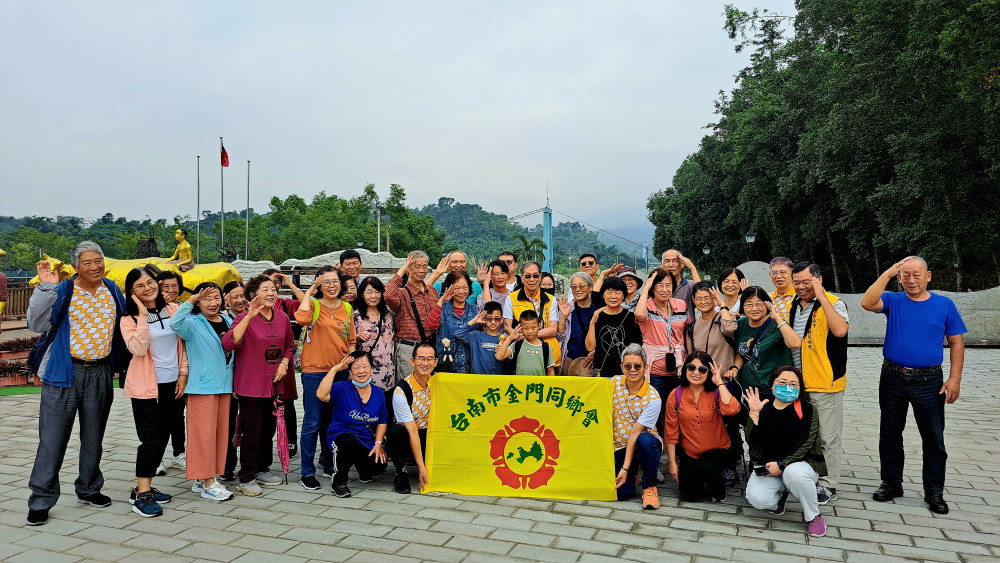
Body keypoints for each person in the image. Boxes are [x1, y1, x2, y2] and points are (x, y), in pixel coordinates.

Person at [26, 242, 127, 526]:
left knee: (94, 437)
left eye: (99, 260)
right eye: (88, 262)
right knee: (52, 440)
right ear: (75, 266)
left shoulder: (112, 290)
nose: (95, 266)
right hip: (64, 371)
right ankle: (41, 500)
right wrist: (46, 287)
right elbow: (36, 323)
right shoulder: (63, 290)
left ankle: (89, 488)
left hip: (101, 371)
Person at [861, 256, 966, 515]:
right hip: (893, 376)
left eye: (916, 274)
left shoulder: (945, 305)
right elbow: (867, 302)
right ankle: (891, 483)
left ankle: (934, 490)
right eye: (905, 275)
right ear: (899, 278)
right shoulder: (894, 301)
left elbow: (956, 343)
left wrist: (955, 379)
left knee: (933, 436)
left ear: (928, 276)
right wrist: (887, 272)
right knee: (890, 432)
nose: (911, 280)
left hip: (929, 381)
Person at [119, 268, 187, 517]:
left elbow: (184, 344)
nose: (148, 288)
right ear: (132, 292)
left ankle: (142, 487)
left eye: (150, 282)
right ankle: (142, 493)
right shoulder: (128, 318)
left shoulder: (172, 310)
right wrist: (142, 316)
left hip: (173, 383)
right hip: (146, 387)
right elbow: (138, 349)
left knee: (166, 432)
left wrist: (183, 374)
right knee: (152, 437)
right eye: (140, 286)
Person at [222, 274, 295, 496]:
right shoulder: (244, 317)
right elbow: (229, 342)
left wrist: (284, 362)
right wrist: (248, 316)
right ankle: (246, 476)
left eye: (273, 289)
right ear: (252, 295)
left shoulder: (282, 317)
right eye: (265, 290)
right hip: (250, 384)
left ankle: (262, 469)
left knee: (268, 429)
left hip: (274, 382)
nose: (271, 293)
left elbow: (290, 345)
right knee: (252, 431)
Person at [789, 262, 849, 505]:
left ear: (818, 279)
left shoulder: (834, 303)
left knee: (828, 436)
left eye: (806, 282)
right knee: (806, 434)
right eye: (798, 282)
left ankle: (829, 483)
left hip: (825, 382)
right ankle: (810, 475)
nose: (801, 287)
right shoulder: (795, 304)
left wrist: (822, 297)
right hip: (799, 382)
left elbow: (840, 331)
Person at [170, 282, 236, 502]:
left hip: (224, 386)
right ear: (198, 300)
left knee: (219, 435)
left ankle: (204, 477)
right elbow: (175, 323)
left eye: (216, 297)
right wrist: (190, 300)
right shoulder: (192, 322)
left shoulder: (227, 320)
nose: (213, 302)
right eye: (207, 298)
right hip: (202, 387)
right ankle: (209, 482)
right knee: (203, 436)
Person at [744, 366, 828, 538]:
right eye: (782, 382)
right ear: (773, 386)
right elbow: (752, 441)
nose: (787, 387)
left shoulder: (808, 410)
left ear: (800, 389)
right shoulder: (764, 406)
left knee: (794, 473)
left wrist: (782, 465)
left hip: (801, 466)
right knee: (757, 499)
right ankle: (780, 498)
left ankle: (814, 516)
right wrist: (754, 415)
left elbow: (807, 442)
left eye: (793, 384)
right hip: (770, 466)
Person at [294, 266, 357, 491]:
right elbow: (301, 319)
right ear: (320, 284)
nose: (332, 286)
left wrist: (349, 361)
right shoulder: (313, 304)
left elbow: (351, 339)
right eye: (326, 282)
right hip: (315, 371)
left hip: (340, 371)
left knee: (333, 421)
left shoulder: (347, 307)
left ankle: (330, 464)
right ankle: (306, 472)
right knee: (312, 422)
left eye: (335, 281)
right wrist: (310, 291)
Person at [664, 351, 740, 502]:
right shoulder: (676, 394)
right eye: (691, 368)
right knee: (689, 495)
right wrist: (672, 462)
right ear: (685, 368)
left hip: (717, 450)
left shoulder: (716, 392)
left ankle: (718, 488)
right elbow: (670, 431)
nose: (696, 372)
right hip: (690, 452)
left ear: (708, 372)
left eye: (702, 369)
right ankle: (702, 481)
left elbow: (732, 409)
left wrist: (719, 382)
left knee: (706, 470)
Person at [685, 281, 740, 486]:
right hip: (702, 384)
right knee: (709, 425)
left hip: (725, 382)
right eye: (698, 298)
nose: (702, 302)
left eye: (707, 297)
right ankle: (709, 460)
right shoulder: (693, 325)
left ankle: (730, 466)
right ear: (693, 300)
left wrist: (722, 305)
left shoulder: (723, 319)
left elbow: (731, 329)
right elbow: (692, 357)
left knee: (729, 425)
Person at [317, 351, 388, 498]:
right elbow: (321, 395)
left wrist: (379, 443)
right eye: (356, 368)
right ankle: (339, 482)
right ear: (350, 371)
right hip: (342, 436)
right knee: (349, 444)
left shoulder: (378, 392)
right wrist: (334, 370)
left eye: (365, 367)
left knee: (379, 466)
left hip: (366, 439)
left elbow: (382, 420)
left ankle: (361, 466)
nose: (361, 371)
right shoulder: (341, 388)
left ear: (371, 369)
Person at [634, 269, 689, 433]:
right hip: (655, 370)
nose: (665, 289)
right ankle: (659, 443)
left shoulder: (680, 305)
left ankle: (676, 444)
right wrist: (646, 288)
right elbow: (639, 315)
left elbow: (685, 331)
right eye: (660, 285)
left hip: (679, 368)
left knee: (678, 407)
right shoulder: (646, 305)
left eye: (668, 285)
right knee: (656, 407)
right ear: (653, 287)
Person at [723, 287, 801, 399]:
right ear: (743, 307)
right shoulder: (741, 324)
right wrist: (735, 368)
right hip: (749, 388)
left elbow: (796, 344)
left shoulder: (776, 324)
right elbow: (741, 352)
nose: (754, 309)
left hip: (776, 388)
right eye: (749, 305)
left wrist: (777, 318)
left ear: (767, 305)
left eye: (759, 304)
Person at [611, 344, 662, 509]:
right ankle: (632, 474)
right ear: (621, 367)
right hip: (619, 447)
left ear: (646, 367)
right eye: (628, 366)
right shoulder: (614, 382)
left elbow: (635, 433)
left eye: (638, 366)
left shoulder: (653, 398)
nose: (633, 370)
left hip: (642, 443)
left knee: (645, 440)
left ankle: (649, 487)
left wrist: (624, 469)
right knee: (622, 493)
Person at [262, 269, 304, 457]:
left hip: (283, 362)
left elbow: (307, 304)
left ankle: (291, 440)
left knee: (286, 403)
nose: (273, 288)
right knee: (265, 406)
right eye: (268, 284)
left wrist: (290, 283)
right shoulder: (253, 306)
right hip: (262, 364)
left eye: (277, 283)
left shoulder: (286, 304)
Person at [387, 341, 437, 494]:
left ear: (435, 362)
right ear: (412, 361)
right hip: (410, 436)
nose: (425, 363)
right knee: (395, 432)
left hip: (431, 435)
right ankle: (401, 472)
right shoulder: (402, 391)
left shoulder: (439, 382)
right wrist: (421, 468)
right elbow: (413, 431)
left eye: (429, 359)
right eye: (421, 358)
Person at [152, 269, 187, 474]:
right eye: (166, 287)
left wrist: (184, 372)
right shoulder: (147, 310)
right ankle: (155, 456)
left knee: (176, 414)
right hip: (153, 373)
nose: (171, 290)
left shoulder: (181, 308)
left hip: (177, 371)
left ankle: (178, 453)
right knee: (156, 418)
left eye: (175, 286)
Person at [385, 251, 439, 379]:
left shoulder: (432, 291)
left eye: (424, 266)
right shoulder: (401, 293)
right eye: (417, 266)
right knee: (407, 388)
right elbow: (387, 294)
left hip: (428, 347)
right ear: (409, 269)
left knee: (426, 387)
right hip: (408, 348)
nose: (421, 270)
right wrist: (403, 268)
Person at [586, 276, 643, 377]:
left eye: (617, 292)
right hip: (601, 372)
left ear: (623, 295)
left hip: (624, 374)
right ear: (603, 295)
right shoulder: (596, 315)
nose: (613, 296)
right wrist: (592, 323)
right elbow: (590, 347)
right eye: (609, 292)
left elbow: (636, 347)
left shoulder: (630, 318)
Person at [509, 261, 562, 367]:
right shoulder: (511, 298)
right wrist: (529, 336)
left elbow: (553, 330)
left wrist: (527, 335)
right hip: (523, 356)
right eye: (528, 276)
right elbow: (507, 326)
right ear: (522, 277)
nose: (532, 280)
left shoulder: (551, 299)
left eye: (535, 276)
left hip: (549, 356)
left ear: (540, 277)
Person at [427, 270, 478, 373]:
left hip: (470, 366)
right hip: (446, 367)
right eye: (457, 288)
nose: (461, 292)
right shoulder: (441, 308)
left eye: (465, 287)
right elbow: (431, 326)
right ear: (449, 288)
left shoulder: (476, 310)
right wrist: (441, 301)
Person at [220, 280, 246, 481]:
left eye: (242, 295)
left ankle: (249, 465)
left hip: (248, 380)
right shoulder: (221, 319)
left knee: (246, 423)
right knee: (228, 423)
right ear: (225, 299)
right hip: (227, 380)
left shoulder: (255, 316)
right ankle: (227, 465)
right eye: (234, 296)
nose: (240, 300)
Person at [353, 276, 395, 391]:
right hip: (366, 372)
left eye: (377, 292)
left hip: (388, 373)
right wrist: (357, 338)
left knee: (385, 405)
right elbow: (348, 343)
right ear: (362, 294)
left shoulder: (387, 314)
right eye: (369, 292)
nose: (373, 296)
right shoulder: (355, 316)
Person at [555, 272, 596, 373]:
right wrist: (563, 317)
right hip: (570, 360)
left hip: (592, 361)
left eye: (581, 286)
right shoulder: (568, 308)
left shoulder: (597, 310)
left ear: (590, 287)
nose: (577, 290)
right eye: (574, 287)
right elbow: (560, 336)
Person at [496, 310, 556, 375]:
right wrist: (510, 338)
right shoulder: (517, 345)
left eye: (533, 328)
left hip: (539, 384)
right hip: (520, 384)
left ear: (539, 326)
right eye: (526, 328)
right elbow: (499, 357)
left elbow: (550, 371)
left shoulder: (546, 347)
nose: (530, 331)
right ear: (521, 328)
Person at [454, 301, 505, 375]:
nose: (493, 322)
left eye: (497, 319)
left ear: (502, 320)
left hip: (497, 379)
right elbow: (458, 333)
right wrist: (474, 321)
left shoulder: (505, 339)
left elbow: (509, 362)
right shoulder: (475, 336)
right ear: (484, 319)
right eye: (489, 319)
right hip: (478, 380)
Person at [477, 259, 515, 333]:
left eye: (503, 273)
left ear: (508, 275)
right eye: (496, 274)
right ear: (490, 276)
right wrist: (486, 282)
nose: (500, 277)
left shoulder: (513, 296)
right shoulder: (482, 296)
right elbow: (487, 309)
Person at [660, 249, 702, 313]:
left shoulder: (689, 285)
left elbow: (701, 296)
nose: (671, 265)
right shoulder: (655, 286)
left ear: (682, 264)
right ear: (661, 265)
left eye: (675, 261)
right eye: (667, 261)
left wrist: (692, 268)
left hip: (686, 322)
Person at [768, 257, 795, 321]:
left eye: (783, 272)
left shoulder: (800, 297)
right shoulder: (767, 298)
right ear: (770, 275)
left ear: (792, 274)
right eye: (774, 273)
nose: (778, 276)